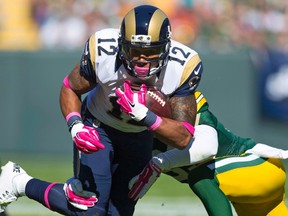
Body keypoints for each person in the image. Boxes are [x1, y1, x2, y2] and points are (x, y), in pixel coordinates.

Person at [0, 5, 219, 216]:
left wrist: (146, 116)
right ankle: (19, 183)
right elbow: (70, 88)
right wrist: (76, 126)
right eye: (134, 51)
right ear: (121, 44)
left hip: (140, 138)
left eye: (150, 51)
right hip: (98, 127)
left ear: (165, 47)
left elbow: (183, 137)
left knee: (118, 212)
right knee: (91, 207)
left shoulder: (182, 66)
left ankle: (20, 182)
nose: (141, 60)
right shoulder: (104, 50)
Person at [128, 91, 288, 215]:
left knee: (201, 177)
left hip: (259, 166)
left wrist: (158, 162)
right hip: (245, 195)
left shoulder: (184, 107)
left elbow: (207, 148)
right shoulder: (137, 144)